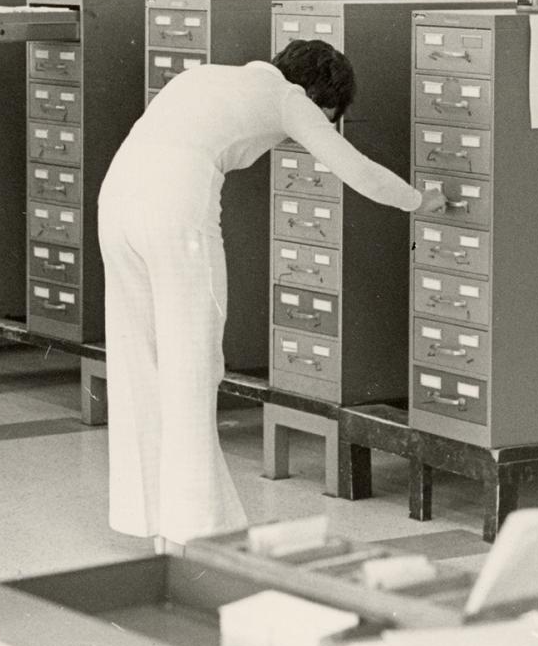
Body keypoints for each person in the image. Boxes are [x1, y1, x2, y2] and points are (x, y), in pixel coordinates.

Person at [98, 39, 448, 552]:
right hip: (176, 213)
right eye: (327, 116)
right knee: (193, 370)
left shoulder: (206, 76)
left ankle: (150, 521)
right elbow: (355, 169)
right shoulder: (288, 99)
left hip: (117, 202)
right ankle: (194, 531)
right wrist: (420, 201)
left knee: (140, 367)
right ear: (320, 98)